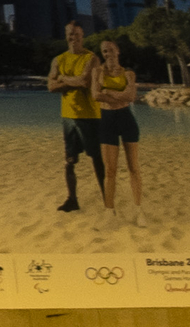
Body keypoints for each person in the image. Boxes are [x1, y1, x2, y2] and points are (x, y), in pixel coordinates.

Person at [49, 19, 111, 213]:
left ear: (82, 36)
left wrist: (63, 79)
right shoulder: (58, 59)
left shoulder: (92, 58)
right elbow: (50, 86)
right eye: (69, 34)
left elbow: (85, 81)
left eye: (76, 34)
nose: (72, 37)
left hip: (90, 115)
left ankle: (108, 201)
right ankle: (72, 200)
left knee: (97, 159)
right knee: (69, 161)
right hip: (68, 117)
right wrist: (69, 82)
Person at [92, 40, 147, 214]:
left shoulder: (129, 74)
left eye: (110, 50)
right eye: (104, 51)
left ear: (118, 51)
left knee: (133, 168)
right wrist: (118, 96)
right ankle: (110, 211)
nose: (107, 54)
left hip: (126, 119)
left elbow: (131, 96)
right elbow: (95, 95)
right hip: (107, 120)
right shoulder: (97, 72)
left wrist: (108, 92)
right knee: (110, 170)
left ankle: (138, 210)